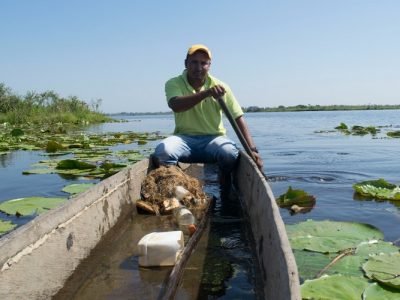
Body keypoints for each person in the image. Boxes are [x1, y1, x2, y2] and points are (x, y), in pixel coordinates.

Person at [153, 44, 263, 186]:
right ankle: (178, 181)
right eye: (194, 62)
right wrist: (206, 93)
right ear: (186, 63)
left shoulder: (221, 86)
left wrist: (252, 149)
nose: (198, 67)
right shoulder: (174, 83)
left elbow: (238, 117)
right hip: (184, 139)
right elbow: (176, 105)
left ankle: (224, 178)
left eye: (203, 63)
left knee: (229, 153)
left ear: (209, 65)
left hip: (214, 139)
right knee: (163, 152)